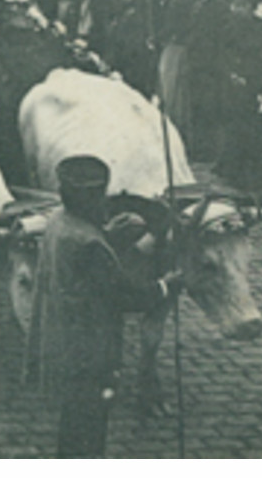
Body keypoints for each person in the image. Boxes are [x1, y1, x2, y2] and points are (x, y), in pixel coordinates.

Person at [36, 154, 178, 458]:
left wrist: (110, 235)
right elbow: (126, 297)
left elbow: (83, 263)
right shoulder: (90, 244)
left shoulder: (59, 221)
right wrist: (166, 285)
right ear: (94, 198)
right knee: (91, 426)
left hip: (65, 339)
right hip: (92, 350)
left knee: (72, 421)